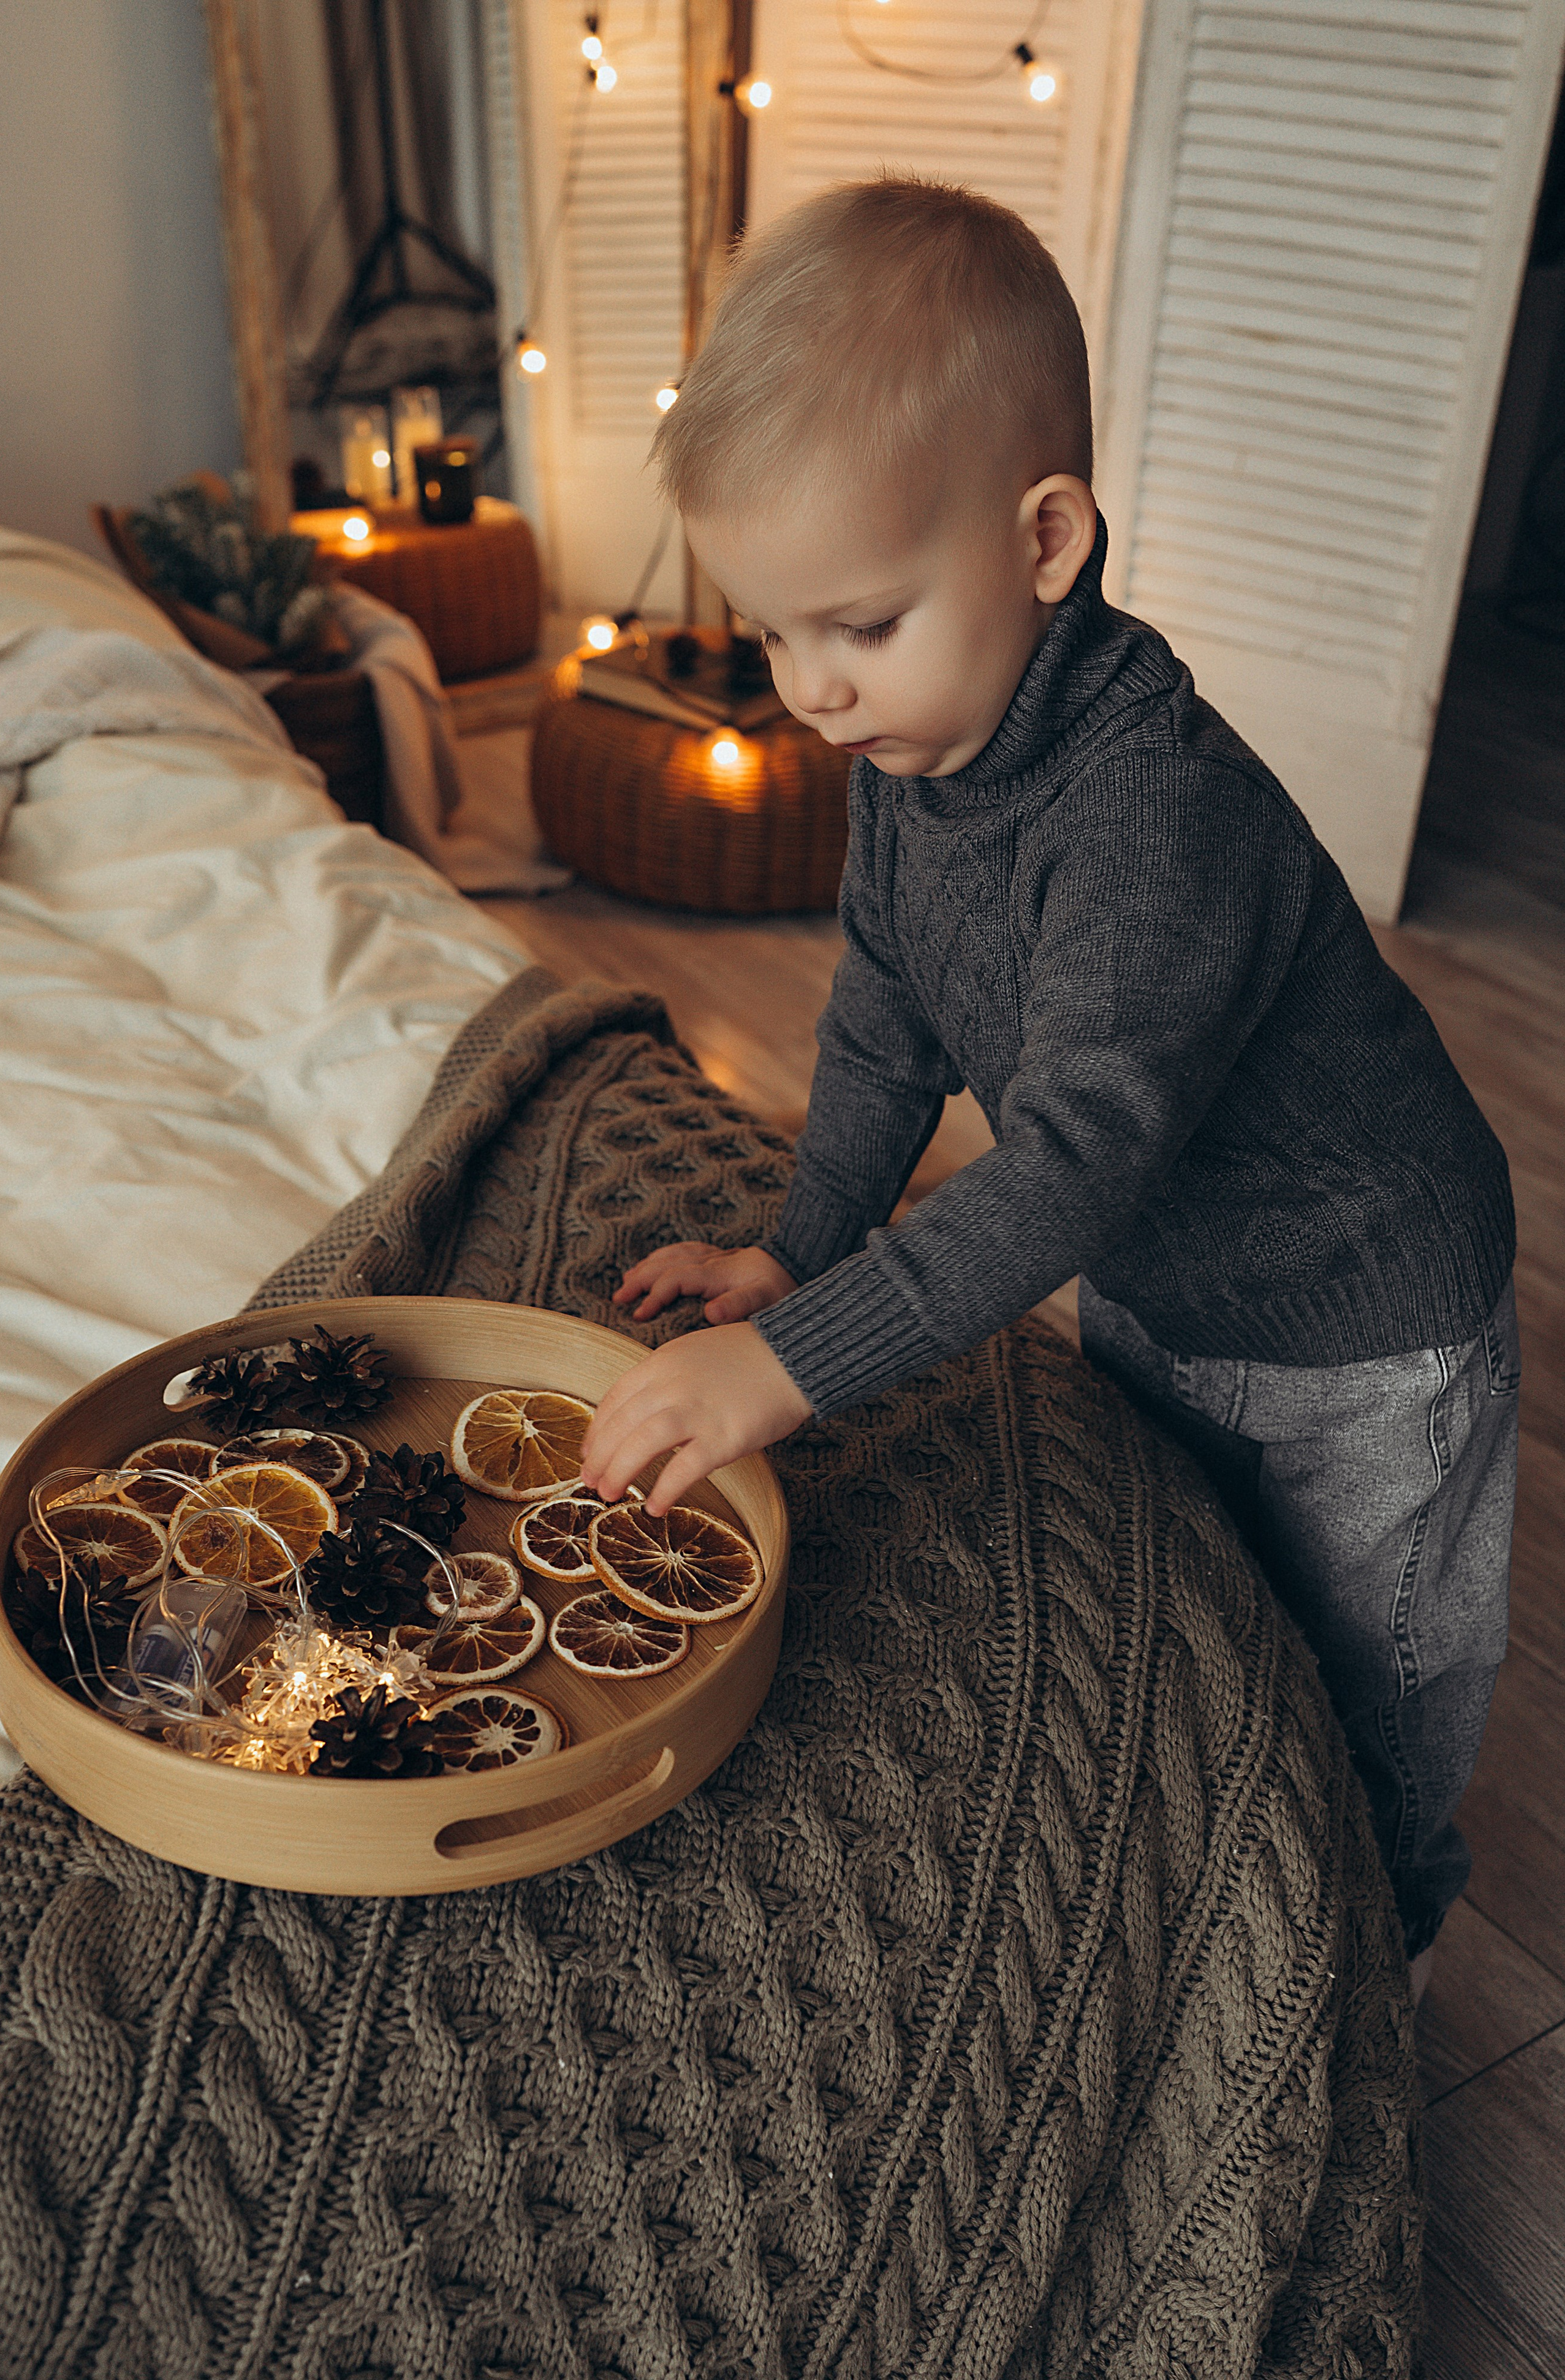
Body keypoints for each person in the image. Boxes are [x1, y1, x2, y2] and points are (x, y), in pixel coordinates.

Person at [577, 175, 1518, 1977]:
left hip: (1363, 1326)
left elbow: (1075, 1157)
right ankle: (1237, 1899)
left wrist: (791, 1363)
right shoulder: (921, 757)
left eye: (857, 625)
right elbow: (884, 1017)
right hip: (1176, 1280)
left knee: (1370, 1672)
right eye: (773, 634)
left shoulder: (1152, 810)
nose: (811, 693)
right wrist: (801, 1249)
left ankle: (1371, 1975)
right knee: (1206, 1617)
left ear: (1047, 538)